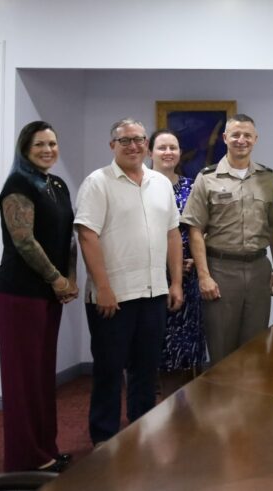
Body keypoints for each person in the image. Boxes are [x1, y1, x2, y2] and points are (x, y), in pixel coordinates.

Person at [74, 118, 183, 445]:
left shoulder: (160, 183)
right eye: (125, 141)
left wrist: (175, 282)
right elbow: (87, 236)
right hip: (113, 298)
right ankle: (104, 441)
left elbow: (173, 234)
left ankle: (141, 434)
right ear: (113, 146)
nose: (134, 146)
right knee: (108, 373)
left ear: (146, 146)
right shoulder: (98, 182)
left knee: (146, 371)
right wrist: (103, 287)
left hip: (153, 294)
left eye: (139, 140)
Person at [0, 121, 78, 473]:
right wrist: (56, 278)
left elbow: (68, 238)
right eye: (40, 144)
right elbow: (24, 240)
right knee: (22, 379)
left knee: (43, 376)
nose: (48, 150)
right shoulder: (18, 184)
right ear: (25, 148)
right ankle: (24, 459)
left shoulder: (56, 184)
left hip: (49, 294)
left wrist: (70, 278)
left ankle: (46, 450)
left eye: (53, 143)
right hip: (19, 295)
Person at [181, 113, 273, 364]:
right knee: (221, 347)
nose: (241, 140)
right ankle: (221, 404)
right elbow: (195, 229)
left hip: (259, 269)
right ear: (225, 138)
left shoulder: (268, 179)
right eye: (235, 134)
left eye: (247, 135)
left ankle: (251, 403)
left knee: (256, 347)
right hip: (221, 270)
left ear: (255, 139)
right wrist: (204, 276)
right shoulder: (207, 178)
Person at [148, 129, 205, 394]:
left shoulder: (191, 186)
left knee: (187, 341)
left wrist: (191, 259)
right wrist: (168, 264)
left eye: (173, 147)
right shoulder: (140, 185)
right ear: (150, 153)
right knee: (152, 341)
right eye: (162, 148)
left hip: (188, 277)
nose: (168, 152)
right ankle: (152, 402)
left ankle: (184, 400)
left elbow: (201, 228)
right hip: (149, 278)